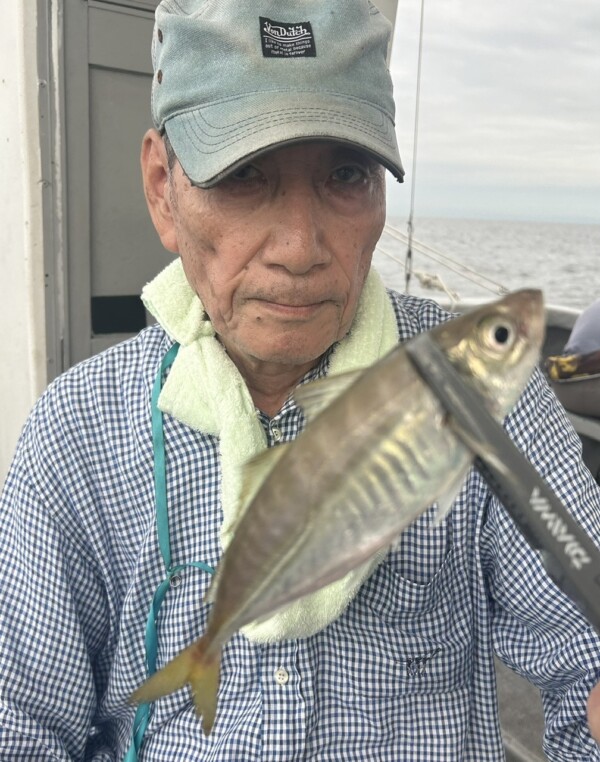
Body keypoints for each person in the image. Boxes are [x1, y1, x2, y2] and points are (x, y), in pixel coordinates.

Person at [1, 1, 600, 759]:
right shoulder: (77, 434)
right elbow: (21, 727)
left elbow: (587, 661)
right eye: (244, 175)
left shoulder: (492, 403)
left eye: (346, 174)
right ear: (162, 186)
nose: (299, 247)